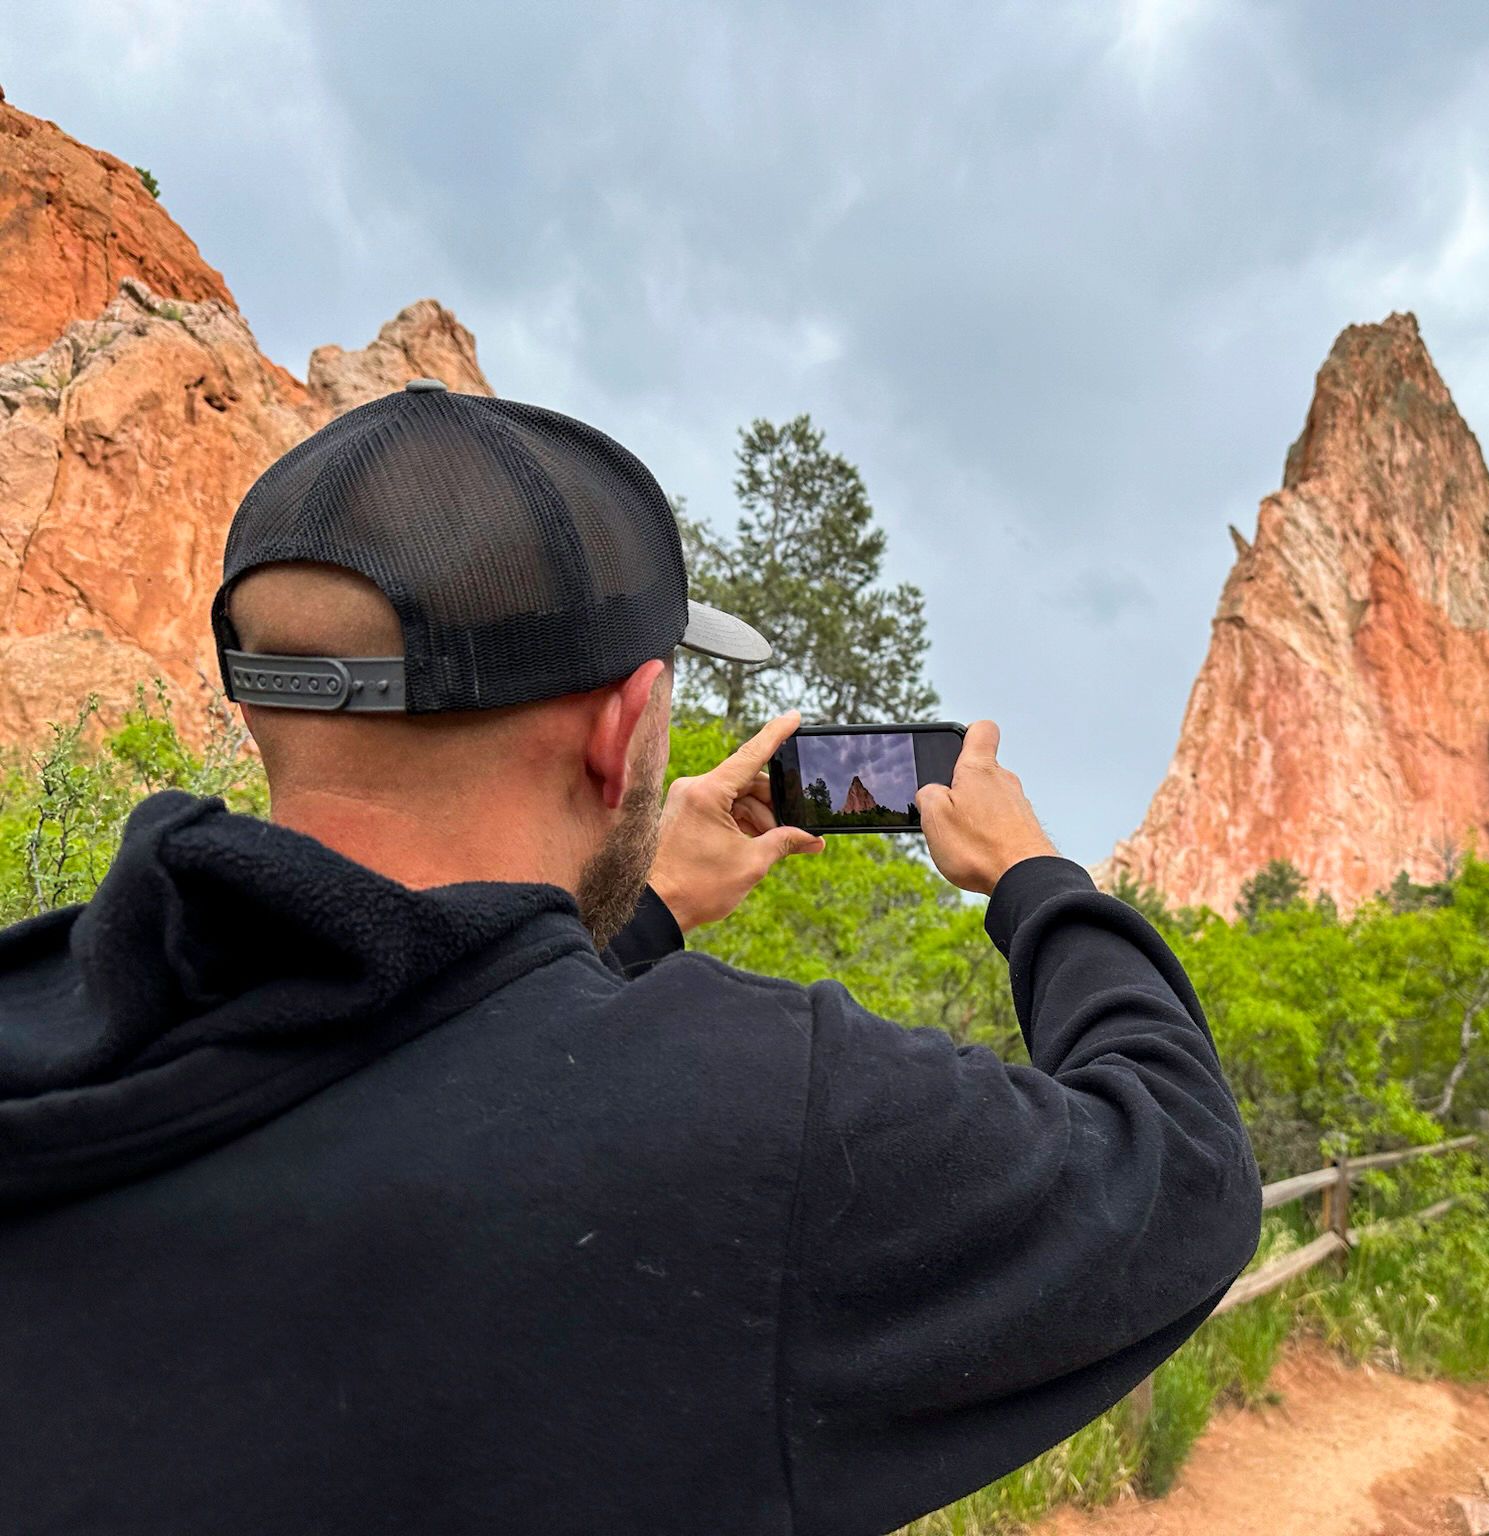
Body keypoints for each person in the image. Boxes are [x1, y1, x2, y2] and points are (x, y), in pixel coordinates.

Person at [0, 382, 1263, 1536]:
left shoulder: (49, 1007)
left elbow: (414, 1044)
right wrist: (1034, 879)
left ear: (256, 698)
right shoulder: (751, 1120)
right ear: (621, 733)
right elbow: (1184, 1173)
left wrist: (636, 913)